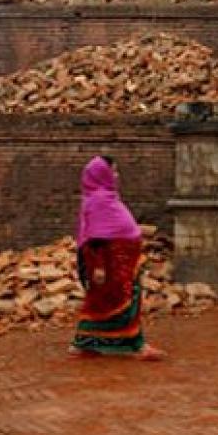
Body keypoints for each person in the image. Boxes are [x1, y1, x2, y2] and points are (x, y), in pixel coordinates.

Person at [68, 155, 166, 361]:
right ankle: (136, 345)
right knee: (124, 300)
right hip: (112, 263)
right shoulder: (99, 200)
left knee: (104, 302)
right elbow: (95, 239)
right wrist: (99, 267)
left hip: (123, 261)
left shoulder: (105, 196)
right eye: (112, 171)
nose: (116, 175)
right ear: (102, 174)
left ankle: (86, 343)